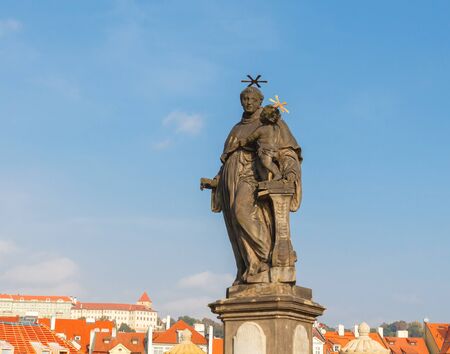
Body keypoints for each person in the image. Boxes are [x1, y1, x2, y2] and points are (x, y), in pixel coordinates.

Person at [201, 86, 302, 284]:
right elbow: (228, 158)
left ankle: (267, 259)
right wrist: (215, 181)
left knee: (242, 212)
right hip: (231, 179)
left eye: (252, 99)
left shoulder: (271, 122)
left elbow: (286, 151)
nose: (248, 102)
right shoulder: (236, 128)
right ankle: (251, 265)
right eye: (244, 99)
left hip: (252, 176)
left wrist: (289, 171)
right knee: (236, 226)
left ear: (259, 101)